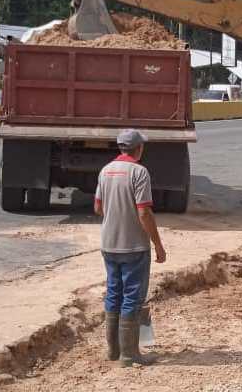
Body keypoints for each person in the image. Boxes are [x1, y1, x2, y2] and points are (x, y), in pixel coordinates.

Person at [94, 129, 167, 367]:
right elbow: (144, 212)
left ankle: (112, 351)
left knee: (114, 294)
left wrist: (116, 215)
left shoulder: (105, 170)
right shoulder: (139, 172)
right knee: (132, 298)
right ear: (139, 148)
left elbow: (98, 208)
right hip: (133, 246)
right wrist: (157, 244)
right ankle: (129, 355)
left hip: (109, 244)